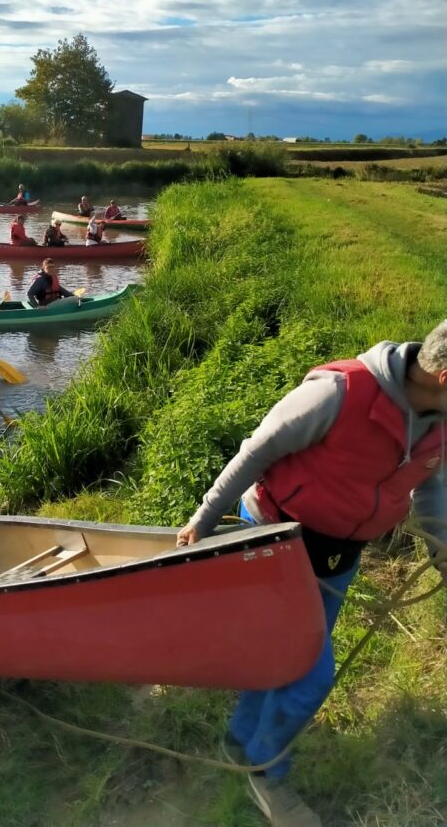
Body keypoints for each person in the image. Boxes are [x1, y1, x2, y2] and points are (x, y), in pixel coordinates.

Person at [176, 325, 447, 827]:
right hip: (277, 541)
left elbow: (432, 487)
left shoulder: (440, 422)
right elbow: (258, 450)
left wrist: (442, 556)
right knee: (310, 674)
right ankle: (266, 771)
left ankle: (241, 740)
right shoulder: (340, 392)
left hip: (339, 555)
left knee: (282, 655)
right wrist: (203, 520)